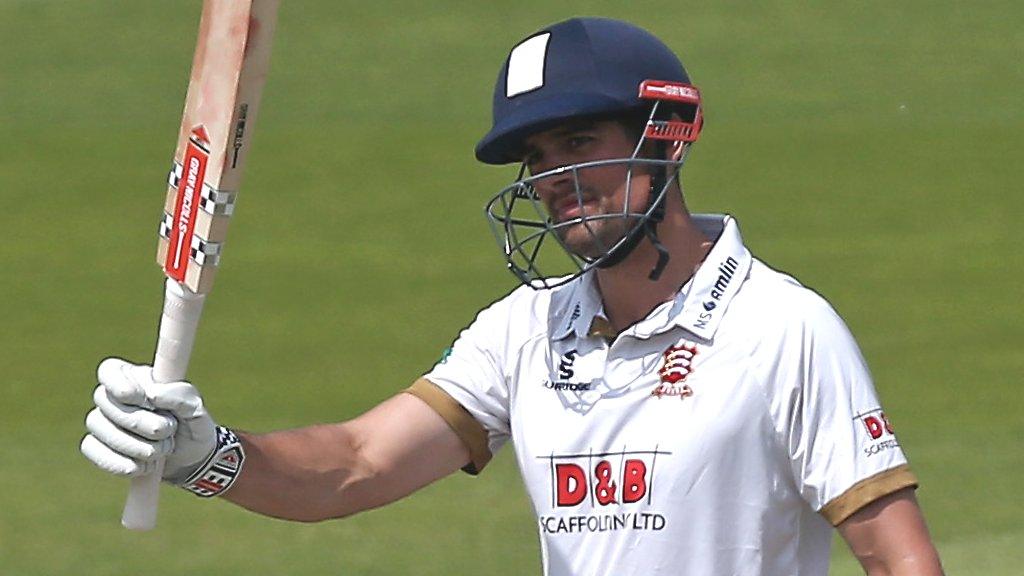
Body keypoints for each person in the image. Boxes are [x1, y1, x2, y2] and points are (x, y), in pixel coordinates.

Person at [82, 17, 945, 575]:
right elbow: (353, 467)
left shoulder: (784, 330)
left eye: (578, 141)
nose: (554, 179)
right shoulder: (527, 331)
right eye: (536, 159)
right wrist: (206, 455)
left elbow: (901, 561)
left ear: (665, 137)